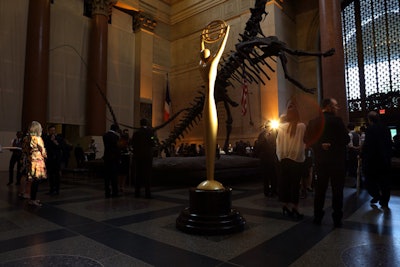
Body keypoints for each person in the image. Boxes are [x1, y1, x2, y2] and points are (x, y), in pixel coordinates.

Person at [304, 98, 349, 227]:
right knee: (337, 190)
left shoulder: (313, 122)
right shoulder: (337, 121)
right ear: (329, 106)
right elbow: (345, 139)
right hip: (337, 162)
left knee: (320, 190)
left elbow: (306, 139)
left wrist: (319, 145)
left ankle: (317, 216)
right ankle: (337, 218)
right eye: (335, 106)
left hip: (321, 162)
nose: (337, 108)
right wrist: (333, 144)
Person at [276, 100, 306, 219]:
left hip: (284, 160)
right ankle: (295, 207)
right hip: (296, 160)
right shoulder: (301, 126)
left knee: (285, 184)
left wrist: (280, 156)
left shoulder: (281, 127)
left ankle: (284, 205)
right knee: (295, 185)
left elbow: (277, 143)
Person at [361, 111, 392, 209]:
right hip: (385, 159)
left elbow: (368, 145)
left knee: (369, 180)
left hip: (373, 160)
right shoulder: (386, 129)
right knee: (385, 182)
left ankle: (376, 195)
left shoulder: (370, 129)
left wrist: (362, 155)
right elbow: (389, 143)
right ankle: (385, 201)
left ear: (369, 120)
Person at [21, 121, 47, 206]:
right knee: (36, 181)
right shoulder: (38, 138)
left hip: (30, 161)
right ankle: (33, 199)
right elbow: (43, 151)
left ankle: (31, 198)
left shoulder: (26, 138)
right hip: (37, 161)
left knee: (32, 180)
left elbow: (24, 150)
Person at [131, 119, 154, 198]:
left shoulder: (136, 133)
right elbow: (152, 142)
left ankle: (137, 193)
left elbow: (132, 143)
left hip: (138, 156)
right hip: (147, 156)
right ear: (146, 123)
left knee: (138, 174)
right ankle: (147, 193)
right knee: (147, 174)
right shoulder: (150, 132)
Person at [254, 123, 278, 197]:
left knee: (273, 176)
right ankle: (266, 191)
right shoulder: (261, 135)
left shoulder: (275, 133)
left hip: (272, 157)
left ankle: (274, 191)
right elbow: (258, 146)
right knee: (266, 177)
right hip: (264, 158)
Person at [44, 125, 63, 195]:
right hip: (50, 159)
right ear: (49, 131)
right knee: (51, 175)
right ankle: (51, 189)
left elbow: (60, 147)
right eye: (51, 130)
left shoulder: (59, 138)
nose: (52, 132)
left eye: (54, 130)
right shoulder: (46, 138)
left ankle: (57, 190)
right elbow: (46, 147)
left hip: (57, 159)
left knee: (57, 175)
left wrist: (54, 141)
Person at [103, 124, 121, 198]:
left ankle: (107, 192)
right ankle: (115, 192)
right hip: (114, 158)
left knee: (107, 176)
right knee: (114, 176)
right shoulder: (116, 137)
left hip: (107, 157)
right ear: (116, 129)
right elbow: (117, 148)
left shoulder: (105, 135)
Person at [347, 123, 361, 187]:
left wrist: (354, 148)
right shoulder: (358, 135)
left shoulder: (349, 134)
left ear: (348, 128)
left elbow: (350, 145)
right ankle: (358, 181)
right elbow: (360, 144)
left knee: (352, 167)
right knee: (357, 166)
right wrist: (358, 148)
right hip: (357, 152)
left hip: (352, 153)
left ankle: (355, 182)